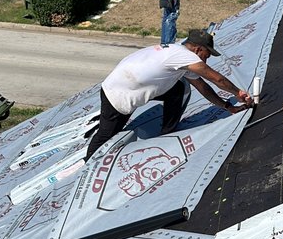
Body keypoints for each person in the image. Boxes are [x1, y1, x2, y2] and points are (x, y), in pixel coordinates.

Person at [84, 29, 254, 161]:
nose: (206, 60)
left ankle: (167, 133)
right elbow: (215, 78)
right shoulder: (183, 56)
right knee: (107, 136)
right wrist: (238, 92)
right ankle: (88, 164)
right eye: (206, 55)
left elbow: (203, 87)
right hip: (118, 94)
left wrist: (228, 106)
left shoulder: (176, 52)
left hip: (128, 84)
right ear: (198, 49)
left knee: (178, 89)